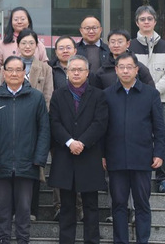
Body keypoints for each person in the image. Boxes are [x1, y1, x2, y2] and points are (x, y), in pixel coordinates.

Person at [0, 55, 50, 244]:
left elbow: (44, 129)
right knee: (2, 207)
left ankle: (23, 239)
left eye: (18, 70)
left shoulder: (36, 98)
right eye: (10, 70)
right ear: (3, 72)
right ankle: (3, 239)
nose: (14, 73)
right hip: (1, 162)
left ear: (24, 72)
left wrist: (39, 158)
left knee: (24, 208)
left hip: (27, 162)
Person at [103, 52, 165, 244]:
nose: (125, 71)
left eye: (129, 67)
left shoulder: (150, 94)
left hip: (142, 158)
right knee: (118, 204)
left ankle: (142, 240)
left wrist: (159, 152)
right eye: (121, 67)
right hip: (116, 159)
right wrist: (102, 154)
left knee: (142, 204)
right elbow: (102, 128)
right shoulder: (107, 95)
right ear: (116, 70)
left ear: (137, 70)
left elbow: (159, 127)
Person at [48, 55, 108, 244]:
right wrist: (69, 142)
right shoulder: (58, 95)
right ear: (66, 72)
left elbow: (100, 123)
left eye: (80, 69)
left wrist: (82, 142)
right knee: (66, 207)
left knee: (91, 206)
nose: (76, 73)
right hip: (65, 156)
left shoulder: (98, 95)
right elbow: (54, 122)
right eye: (72, 69)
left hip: (89, 155)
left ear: (87, 73)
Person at [129, 5, 165, 195]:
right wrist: (142, 92)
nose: (146, 22)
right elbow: (126, 70)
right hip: (134, 100)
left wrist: (154, 91)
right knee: (135, 137)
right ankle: (136, 175)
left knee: (161, 139)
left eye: (150, 18)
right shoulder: (130, 46)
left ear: (155, 21)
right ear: (137, 22)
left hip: (161, 100)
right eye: (142, 19)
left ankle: (163, 179)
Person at [16, 28, 53, 222]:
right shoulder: (10, 66)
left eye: (31, 43)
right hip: (13, 125)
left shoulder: (45, 68)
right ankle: (15, 209)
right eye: (23, 43)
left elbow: (48, 97)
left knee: (34, 167)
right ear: (18, 45)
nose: (27, 46)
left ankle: (32, 210)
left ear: (37, 45)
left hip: (36, 126)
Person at [47, 36, 81, 222]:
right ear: (56, 51)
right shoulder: (50, 70)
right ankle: (59, 207)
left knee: (80, 169)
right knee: (59, 168)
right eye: (61, 48)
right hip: (58, 126)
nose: (65, 51)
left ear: (75, 50)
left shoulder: (84, 69)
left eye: (69, 47)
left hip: (80, 128)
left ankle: (79, 207)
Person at [0, 7, 48, 76]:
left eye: (22, 19)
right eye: (16, 19)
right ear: (11, 23)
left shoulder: (38, 44)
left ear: (28, 22)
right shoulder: (3, 44)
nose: (19, 22)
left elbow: (45, 68)